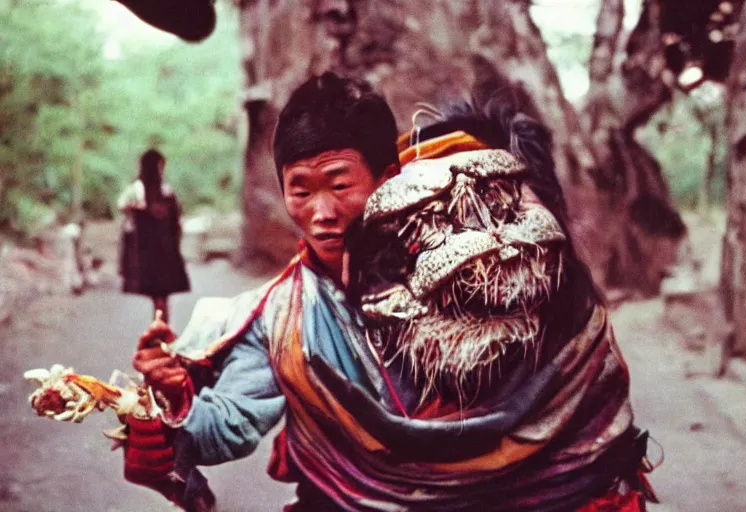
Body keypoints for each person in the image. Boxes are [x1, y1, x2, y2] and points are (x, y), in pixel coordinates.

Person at [125, 73, 654, 511]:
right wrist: (174, 394)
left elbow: (563, 360)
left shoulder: (477, 256)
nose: (321, 212)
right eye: (300, 190)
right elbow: (227, 428)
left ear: (388, 176)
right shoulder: (284, 316)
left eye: (339, 184)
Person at [118, 149, 190, 323]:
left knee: (160, 296)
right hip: (155, 250)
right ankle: (160, 330)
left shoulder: (158, 191)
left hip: (155, 250)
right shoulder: (140, 191)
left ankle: (160, 330)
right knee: (160, 296)